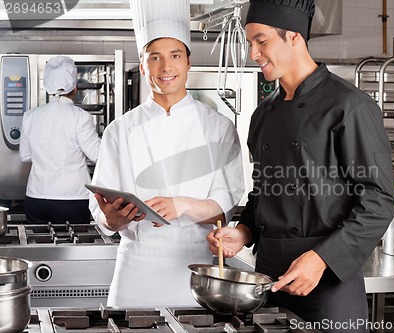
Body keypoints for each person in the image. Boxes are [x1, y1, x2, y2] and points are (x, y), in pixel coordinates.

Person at [206, 0, 394, 331]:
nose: (254, 54)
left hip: (328, 284)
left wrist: (321, 259)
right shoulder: (263, 114)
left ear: (293, 37)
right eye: (251, 42)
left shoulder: (349, 106)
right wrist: (241, 233)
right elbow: (264, 194)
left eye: (261, 41)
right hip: (268, 283)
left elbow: (380, 200)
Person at [89, 0, 244, 307]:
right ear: (143, 66)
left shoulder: (219, 128)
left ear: (188, 62)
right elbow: (101, 213)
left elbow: (224, 209)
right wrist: (111, 220)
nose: (166, 67)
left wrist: (183, 205)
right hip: (136, 267)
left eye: (175, 55)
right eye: (154, 58)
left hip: (197, 270)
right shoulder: (119, 130)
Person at [19, 56, 100, 225]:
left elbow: (25, 156)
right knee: (74, 249)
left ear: (48, 87)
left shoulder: (30, 116)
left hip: (36, 199)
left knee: (39, 249)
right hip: (71, 199)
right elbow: (96, 155)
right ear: (75, 88)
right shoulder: (81, 117)